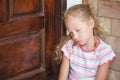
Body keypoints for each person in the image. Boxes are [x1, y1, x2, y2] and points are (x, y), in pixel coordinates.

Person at [57, 4, 116, 80]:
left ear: (91, 23)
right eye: (71, 32)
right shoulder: (69, 46)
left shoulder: (104, 52)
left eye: (78, 30)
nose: (74, 36)